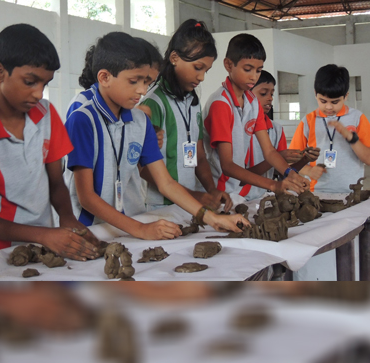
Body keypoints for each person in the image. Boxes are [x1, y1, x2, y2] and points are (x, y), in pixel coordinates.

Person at [64, 31, 249, 240]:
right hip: (89, 230)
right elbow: (86, 197)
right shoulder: (82, 120)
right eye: (134, 81)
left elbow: (166, 183)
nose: (142, 90)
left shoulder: (140, 121)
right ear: (105, 77)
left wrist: (213, 219)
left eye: (146, 82)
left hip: (127, 225)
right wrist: (141, 229)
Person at [0, 24, 100, 263]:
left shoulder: (47, 115)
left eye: (45, 84)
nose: (39, 93)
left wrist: (68, 219)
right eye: (30, 82)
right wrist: (45, 235)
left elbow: (56, 183)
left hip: (44, 245)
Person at [139, 19, 232, 212]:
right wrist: (193, 195)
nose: (201, 77)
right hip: (161, 208)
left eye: (206, 70)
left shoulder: (193, 102)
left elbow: (199, 156)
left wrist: (212, 190)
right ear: (174, 58)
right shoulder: (154, 103)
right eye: (198, 68)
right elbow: (144, 167)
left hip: (190, 204)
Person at [202, 33, 307, 200]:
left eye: (259, 70)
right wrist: (273, 185)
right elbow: (227, 166)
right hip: (217, 191)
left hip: (237, 190)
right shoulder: (221, 104)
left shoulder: (252, 102)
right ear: (228, 65)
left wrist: (291, 174)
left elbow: (269, 151)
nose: (254, 76)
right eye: (247, 69)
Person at [290, 64, 370, 193]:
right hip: (316, 192)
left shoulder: (357, 118)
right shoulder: (308, 121)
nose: (328, 107)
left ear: (346, 96)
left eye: (335, 102)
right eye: (323, 101)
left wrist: (351, 138)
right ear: (315, 94)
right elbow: (290, 161)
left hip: (351, 193)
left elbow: (369, 159)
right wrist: (309, 170)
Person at [244, 70, 324, 200]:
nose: (270, 98)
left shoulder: (276, 130)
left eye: (272, 94)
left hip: (262, 197)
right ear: (247, 94)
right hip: (237, 198)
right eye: (263, 93)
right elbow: (239, 176)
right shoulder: (239, 128)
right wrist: (277, 157)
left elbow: (283, 174)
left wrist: (305, 160)